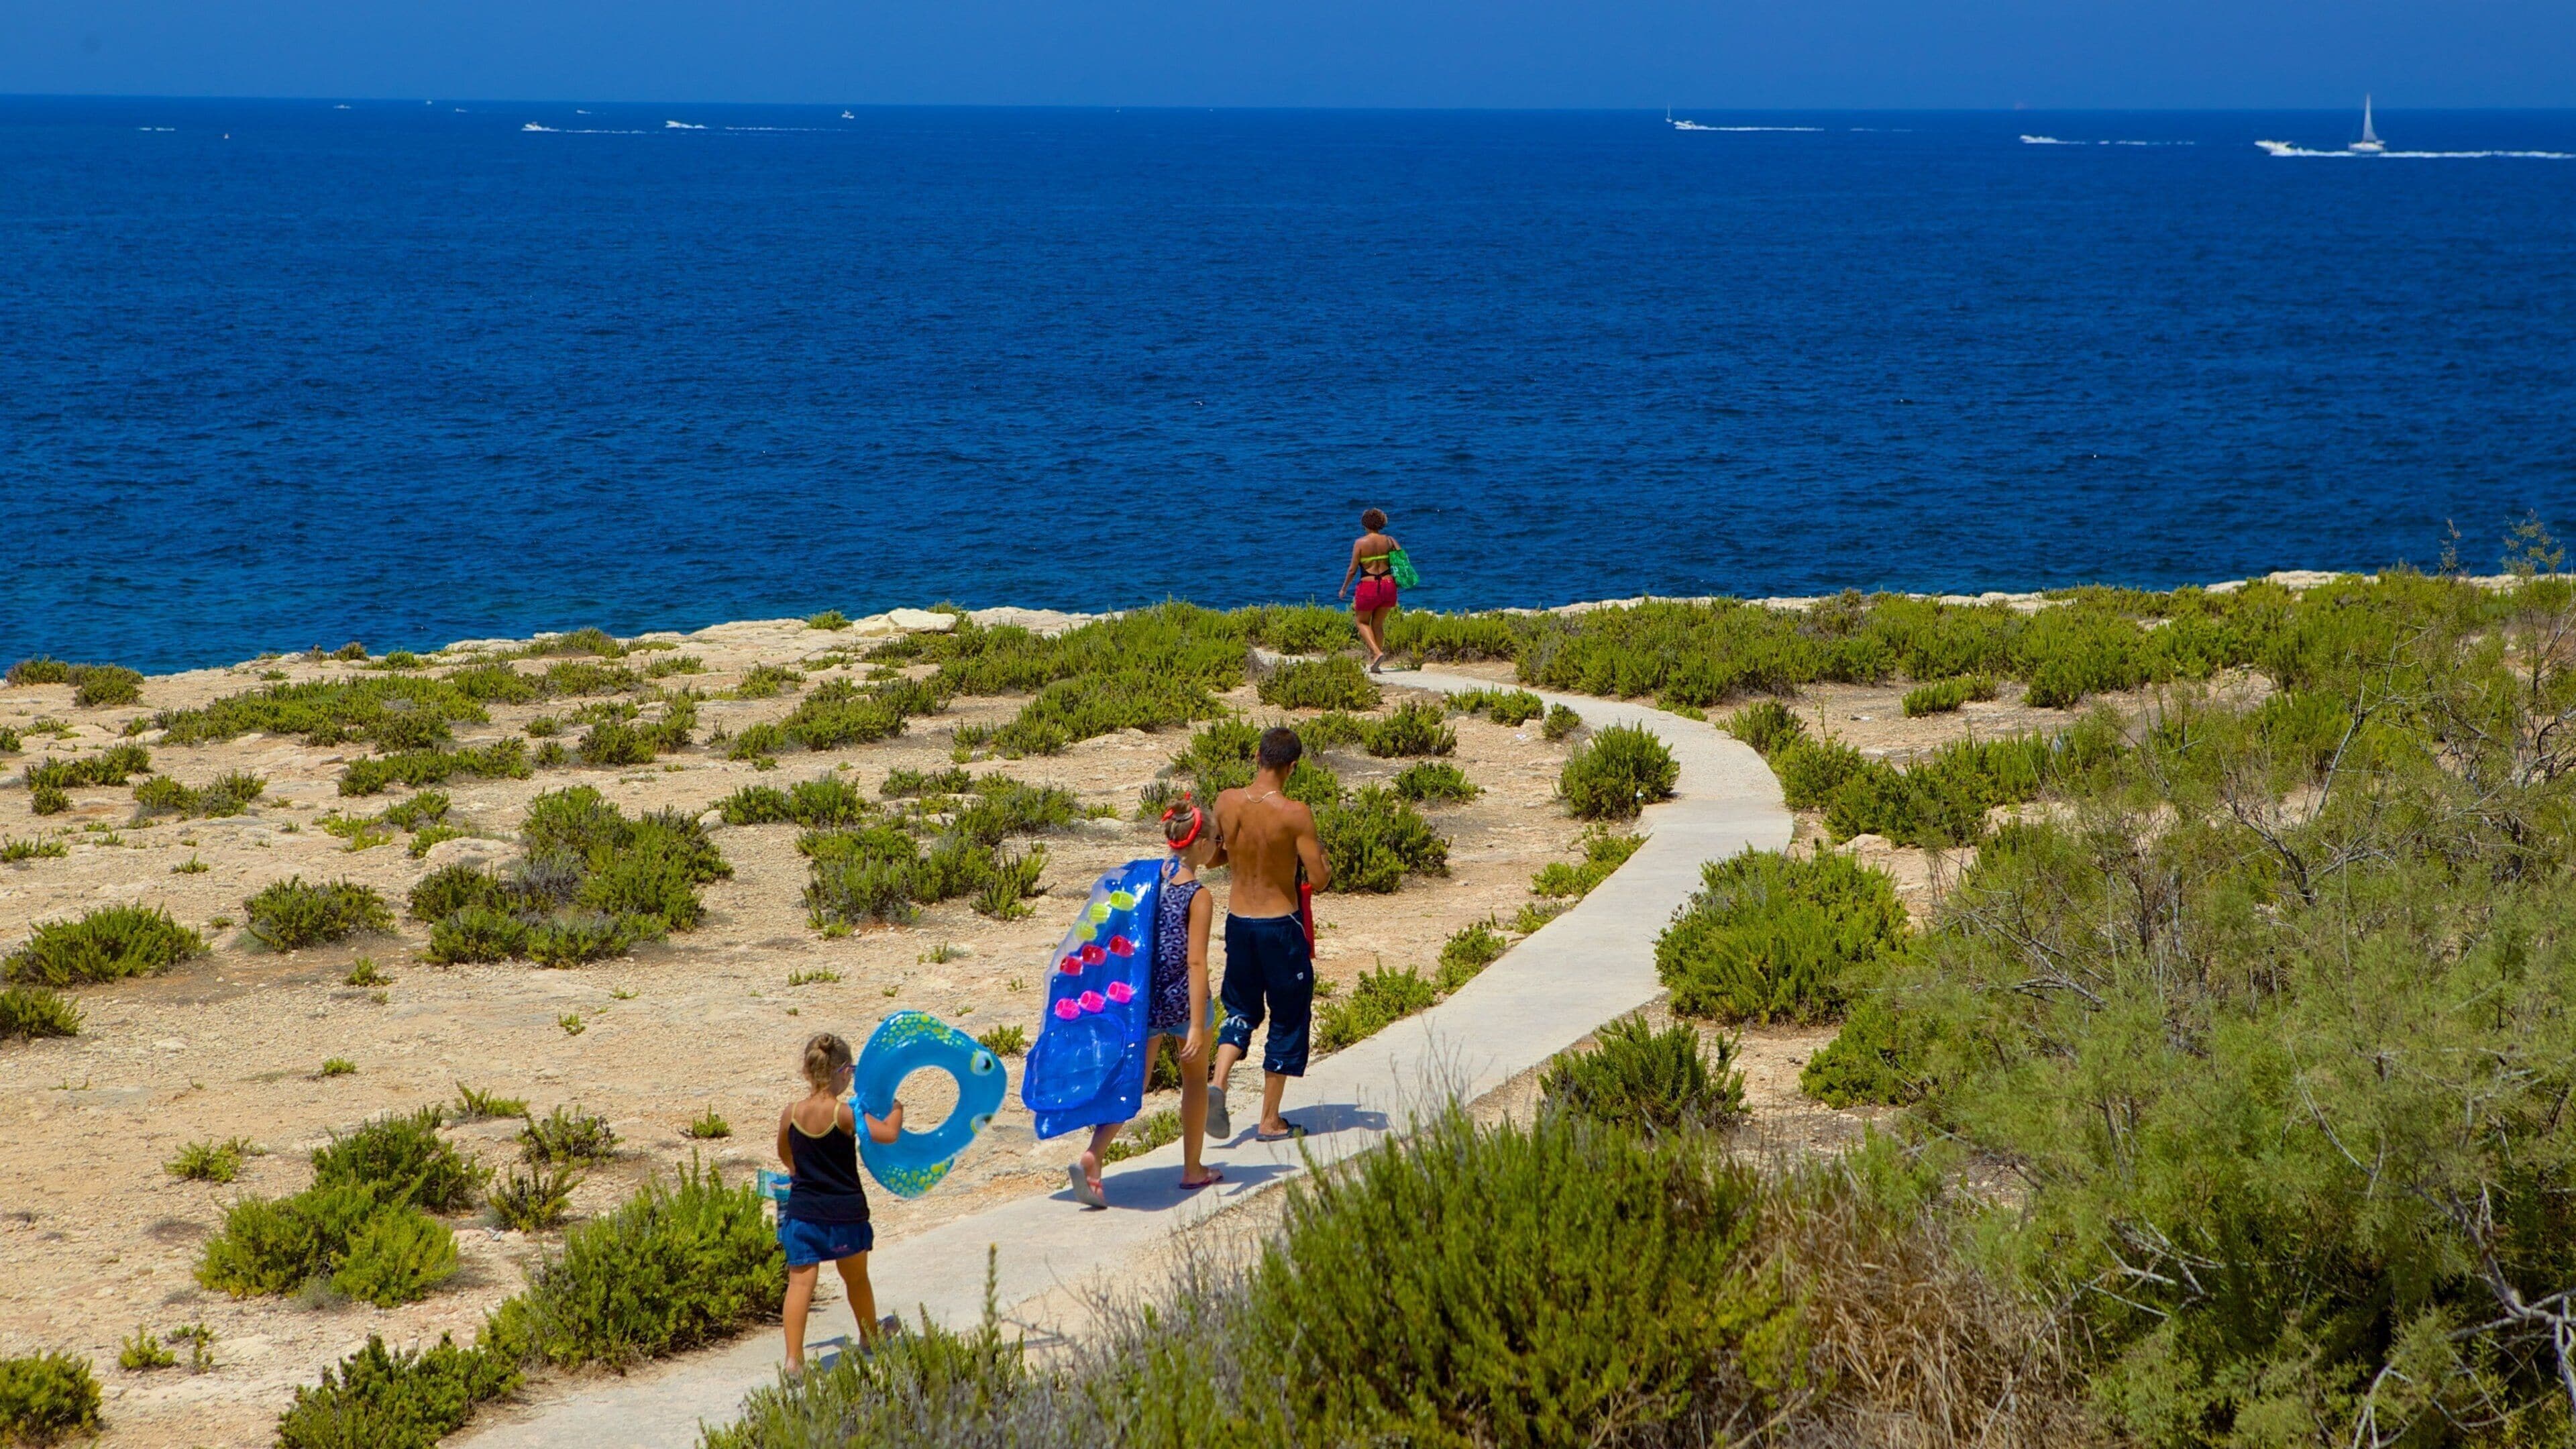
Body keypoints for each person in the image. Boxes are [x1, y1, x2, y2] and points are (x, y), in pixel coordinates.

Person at [1069, 798, 1228, 1206]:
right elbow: (1196, 961)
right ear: (1202, 844)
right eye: (1216, 841)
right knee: (1194, 1081)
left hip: (1144, 1000)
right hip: (1184, 1002)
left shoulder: (1145, 881)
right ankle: (1192, 1169)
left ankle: (1094, 1154)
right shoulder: (1198, 894)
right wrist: (1197, 1024)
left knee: (1135, 1081)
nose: (1218, 849)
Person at [1210, 727, 1331, 1142]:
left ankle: (1218, 1082)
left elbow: (1212, 857)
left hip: (1238, 920)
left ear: (1257, 756)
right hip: (1280, 925)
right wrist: (1325, 863)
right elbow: (1318, 879)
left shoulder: (1226, 801)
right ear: (1292, 767)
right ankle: (1269, 1120)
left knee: (1240, 1008)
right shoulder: (1295, 813)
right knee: (1288, 1015)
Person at [775, 1032, 902, 1372]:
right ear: (845, 1072)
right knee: (856, 1278)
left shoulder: (791, 1113)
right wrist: (896, 1108)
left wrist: (796, 1171)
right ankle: (870, 1337)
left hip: (803, 1214)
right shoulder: (844, 1114)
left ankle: (793, 1359)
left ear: (807, 1071)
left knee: (800, 1284)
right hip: (845, 1214)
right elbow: (889, 1134)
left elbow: (785, 1154)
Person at [1338, 508, 1403, 673]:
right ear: (1382, 523)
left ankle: (1376, 653)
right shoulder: (1390, 540)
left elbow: (1352, 570)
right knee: (1378, 625)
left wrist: (1344, 589)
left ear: (1365, 524)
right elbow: (1402, 560)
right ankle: (1376, 662)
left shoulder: (1360, 543)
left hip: (1369, 586)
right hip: (1389, 585)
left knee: (1361, 622)